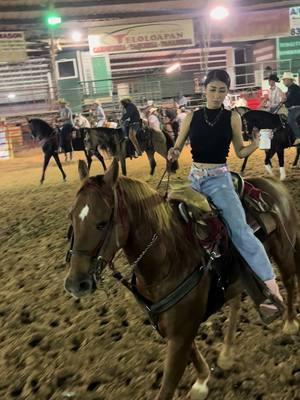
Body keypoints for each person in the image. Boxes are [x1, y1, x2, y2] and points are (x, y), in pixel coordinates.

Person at [168, 69, 283, 323]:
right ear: (204, 90)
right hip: (194, 179)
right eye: (213, 89)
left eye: (222, 90)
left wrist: (256, 143)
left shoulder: (231, 117)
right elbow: (178, 144)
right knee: (173, 223)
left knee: (241, 231)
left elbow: (240, 153)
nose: (217, 94)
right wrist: (174, 152)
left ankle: (272, 291)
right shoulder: (192, 116)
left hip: (219, 180)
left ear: (226, 92)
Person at [282, 72, 300, 145]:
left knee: (290, 120)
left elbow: (293, 100)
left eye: (284, 80)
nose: (283, 82)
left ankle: (298, 137)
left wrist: (285, 101)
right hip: (292, 108)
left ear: (290, 80)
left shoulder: (295, 88)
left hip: (297, 108)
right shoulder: (290, 89)